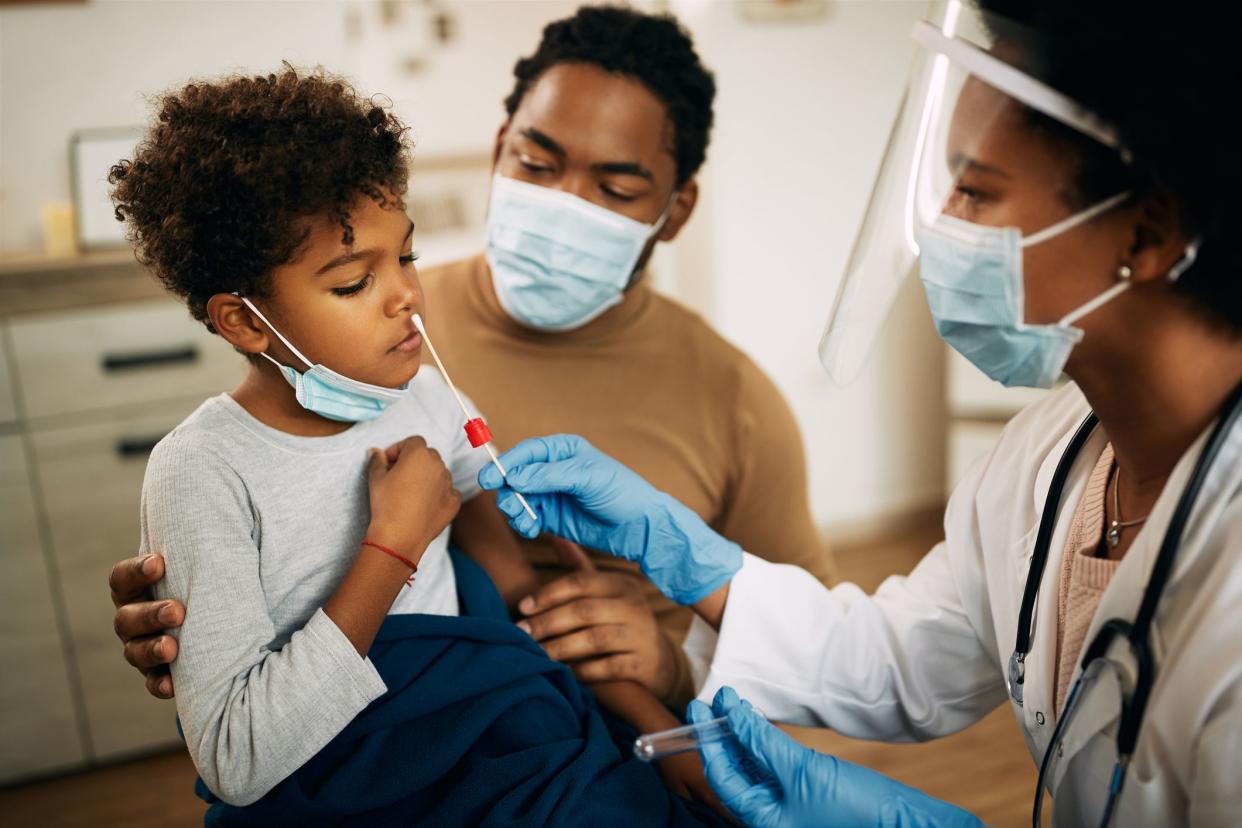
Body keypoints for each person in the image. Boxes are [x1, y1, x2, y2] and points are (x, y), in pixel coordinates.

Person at [476, 1, 1242, 825]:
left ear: (1150, 232)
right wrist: (690, 556)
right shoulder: (1054, 453)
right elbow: (904, 660)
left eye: (975, 192)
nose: (942, 228)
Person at [109, 4, 836, 715]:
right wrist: (205, 625)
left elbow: (820, 663)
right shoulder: (352, 351)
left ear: (675, 211)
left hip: (586, 733)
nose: (563, 204)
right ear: (499, 148)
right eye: (537, 162)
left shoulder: (736, 400)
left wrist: (674, 670)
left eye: (614, 188)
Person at [108, 66, 726, 822]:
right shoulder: (201, 469)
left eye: (405, 257)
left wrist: (657, 727)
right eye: (351, 283)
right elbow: (238, 758)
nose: (406, 295)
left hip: (501, 744)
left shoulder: (427, 403)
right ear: (243, 322)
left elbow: (524, 605)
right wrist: (392, 549)